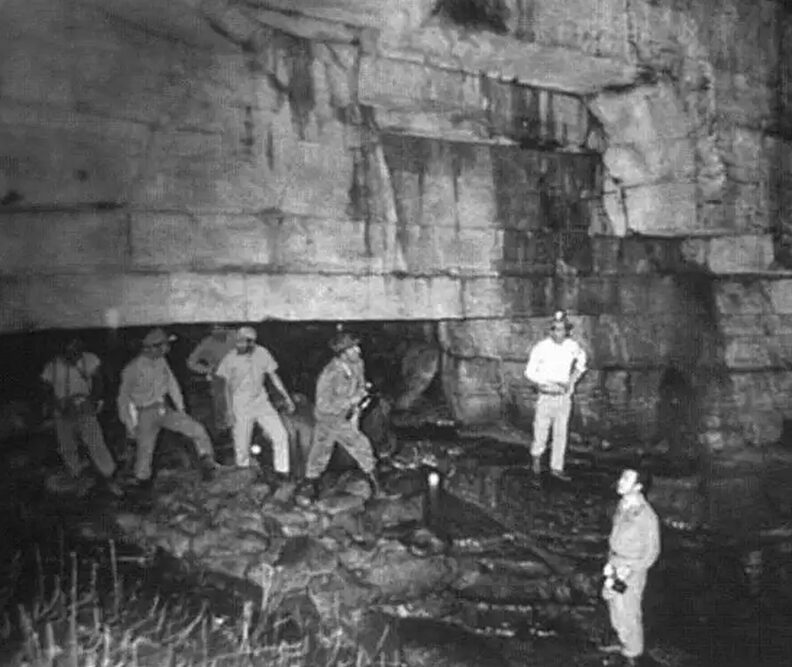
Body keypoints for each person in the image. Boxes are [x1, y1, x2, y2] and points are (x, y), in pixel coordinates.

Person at [117, 328, 218, 488]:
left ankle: (207, 463)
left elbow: (172, 384)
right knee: (145, 452)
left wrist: (181, 408)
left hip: (164, 408)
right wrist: (130, 426)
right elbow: (123, 400)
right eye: (163, 345)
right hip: (145, 413)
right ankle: (141, 489)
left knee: (197, 430)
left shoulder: (161, 361)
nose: (167, 349)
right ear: (151, 348)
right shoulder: (132, 369)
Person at [40, 338, 123, 497]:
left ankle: (109, 474)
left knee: (95, 441)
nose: (73, 356)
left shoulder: (89, 360)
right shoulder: (53, 366)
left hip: (84, 406)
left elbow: (99, 380)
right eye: (70, 353)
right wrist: (57, 405)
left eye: (76, 353)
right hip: (63, 410)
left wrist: (93, 401)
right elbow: (45, 388)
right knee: (67, 444)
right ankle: (76, 475)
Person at [303, 331, 379, 499]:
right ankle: (311, 488)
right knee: (325, 451)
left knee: (356, 446)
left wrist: (358, 405)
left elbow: (360, 384)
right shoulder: (329, 374)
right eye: (353, 348)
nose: (358, 350)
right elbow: (323, 404)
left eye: (357, 346)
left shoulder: (358, 363)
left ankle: (375, 484)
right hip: (328, 418)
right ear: (343, 353)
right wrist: (350, 400)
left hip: (347, 414)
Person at [215, 326, 295, 476]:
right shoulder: (230, 358)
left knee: (281, 435)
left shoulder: (262, 353)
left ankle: (282, 473)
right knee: (242, 446)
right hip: (240, 405)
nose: (239, 345)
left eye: (243, 342)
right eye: (237, 342)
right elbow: (226, 387)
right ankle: (244, 477)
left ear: (252, 342)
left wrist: (286, 397)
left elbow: (274, 376)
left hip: (261, 402)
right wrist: (229, 411)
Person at [601, 467, 661, 666]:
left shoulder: (647, 517)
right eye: (621, 477)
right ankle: (623, 641)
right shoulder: (623, 504)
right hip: (616, 564)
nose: (620, 481)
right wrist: (610, 562)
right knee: (614, 605)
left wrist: (631, 568)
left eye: (626, 480)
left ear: (638, 487)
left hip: (631, 570)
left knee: (629, 610)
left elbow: (652, 553)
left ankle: (633, 653)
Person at [524, 310, 587, 481]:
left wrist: (572, 381)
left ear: (567, 331)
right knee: (541, 430)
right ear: (550, 330)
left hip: (563, 397)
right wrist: (546, 382)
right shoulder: (541, 347)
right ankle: (536, 460)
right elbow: (529, 372)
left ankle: (556, 467)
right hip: (546, 395)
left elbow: (582, 362)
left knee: (561, 432)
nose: (559, 333)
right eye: (556, 329)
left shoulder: (572, 346)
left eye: (562, 329)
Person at [186, 324, 236, 431]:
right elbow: (191, 362)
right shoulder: (207, 343)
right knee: (220, 400)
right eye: (215, 329)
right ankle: (224, 429)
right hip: (219, 375)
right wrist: (207, 369)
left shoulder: (235, 335)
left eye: (221, 327)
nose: (218, 331)